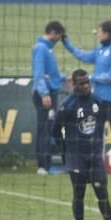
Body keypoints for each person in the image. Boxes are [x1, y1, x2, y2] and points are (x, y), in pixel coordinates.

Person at [52, 70, 111, 220]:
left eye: (87, 82)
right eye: (82, 83)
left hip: (94, 157)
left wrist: (96, 146)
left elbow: (101, 126)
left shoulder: (97, 102)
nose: (86, 85)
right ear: (73, 84)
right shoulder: (67, 106)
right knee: (78, 194)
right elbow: (55, 132)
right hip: (75, 157)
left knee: (102, 193)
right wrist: (65, 151)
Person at [63, 20, 111, 170]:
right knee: (95, 131)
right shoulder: (100, 50)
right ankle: (96, 162)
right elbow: (83, 55)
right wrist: (67, 43)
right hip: (98, 100)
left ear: (108, 33)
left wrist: (90, 78)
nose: (98, 35)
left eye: (100, 32)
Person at [32, 20, 66, 175]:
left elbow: (51, 75)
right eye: (59, 36)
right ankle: (43, 165)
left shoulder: (46, 49)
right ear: (53, 33)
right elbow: (38, 74)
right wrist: (45, 94)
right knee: (44, 129)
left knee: (48, 129)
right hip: (44, 95)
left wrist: (65, 78)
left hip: (49, 93)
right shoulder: (41, 48)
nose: (59, 40)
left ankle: (45, 164)